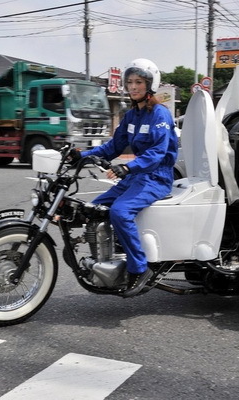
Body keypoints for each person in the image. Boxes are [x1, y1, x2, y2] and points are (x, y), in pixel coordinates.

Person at [70, 58, 178, 297]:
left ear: (150, 84)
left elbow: (158, 153)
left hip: (156, 178)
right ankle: (110, 255)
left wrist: (128, 168)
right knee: (94, 207)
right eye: (130, 82)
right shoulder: (131, 116)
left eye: (138, 82)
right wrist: (82, 155)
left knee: (120, 212)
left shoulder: (160, 115)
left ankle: (139, 269)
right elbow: (113, 147)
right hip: (136, 177)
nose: (133, 86)